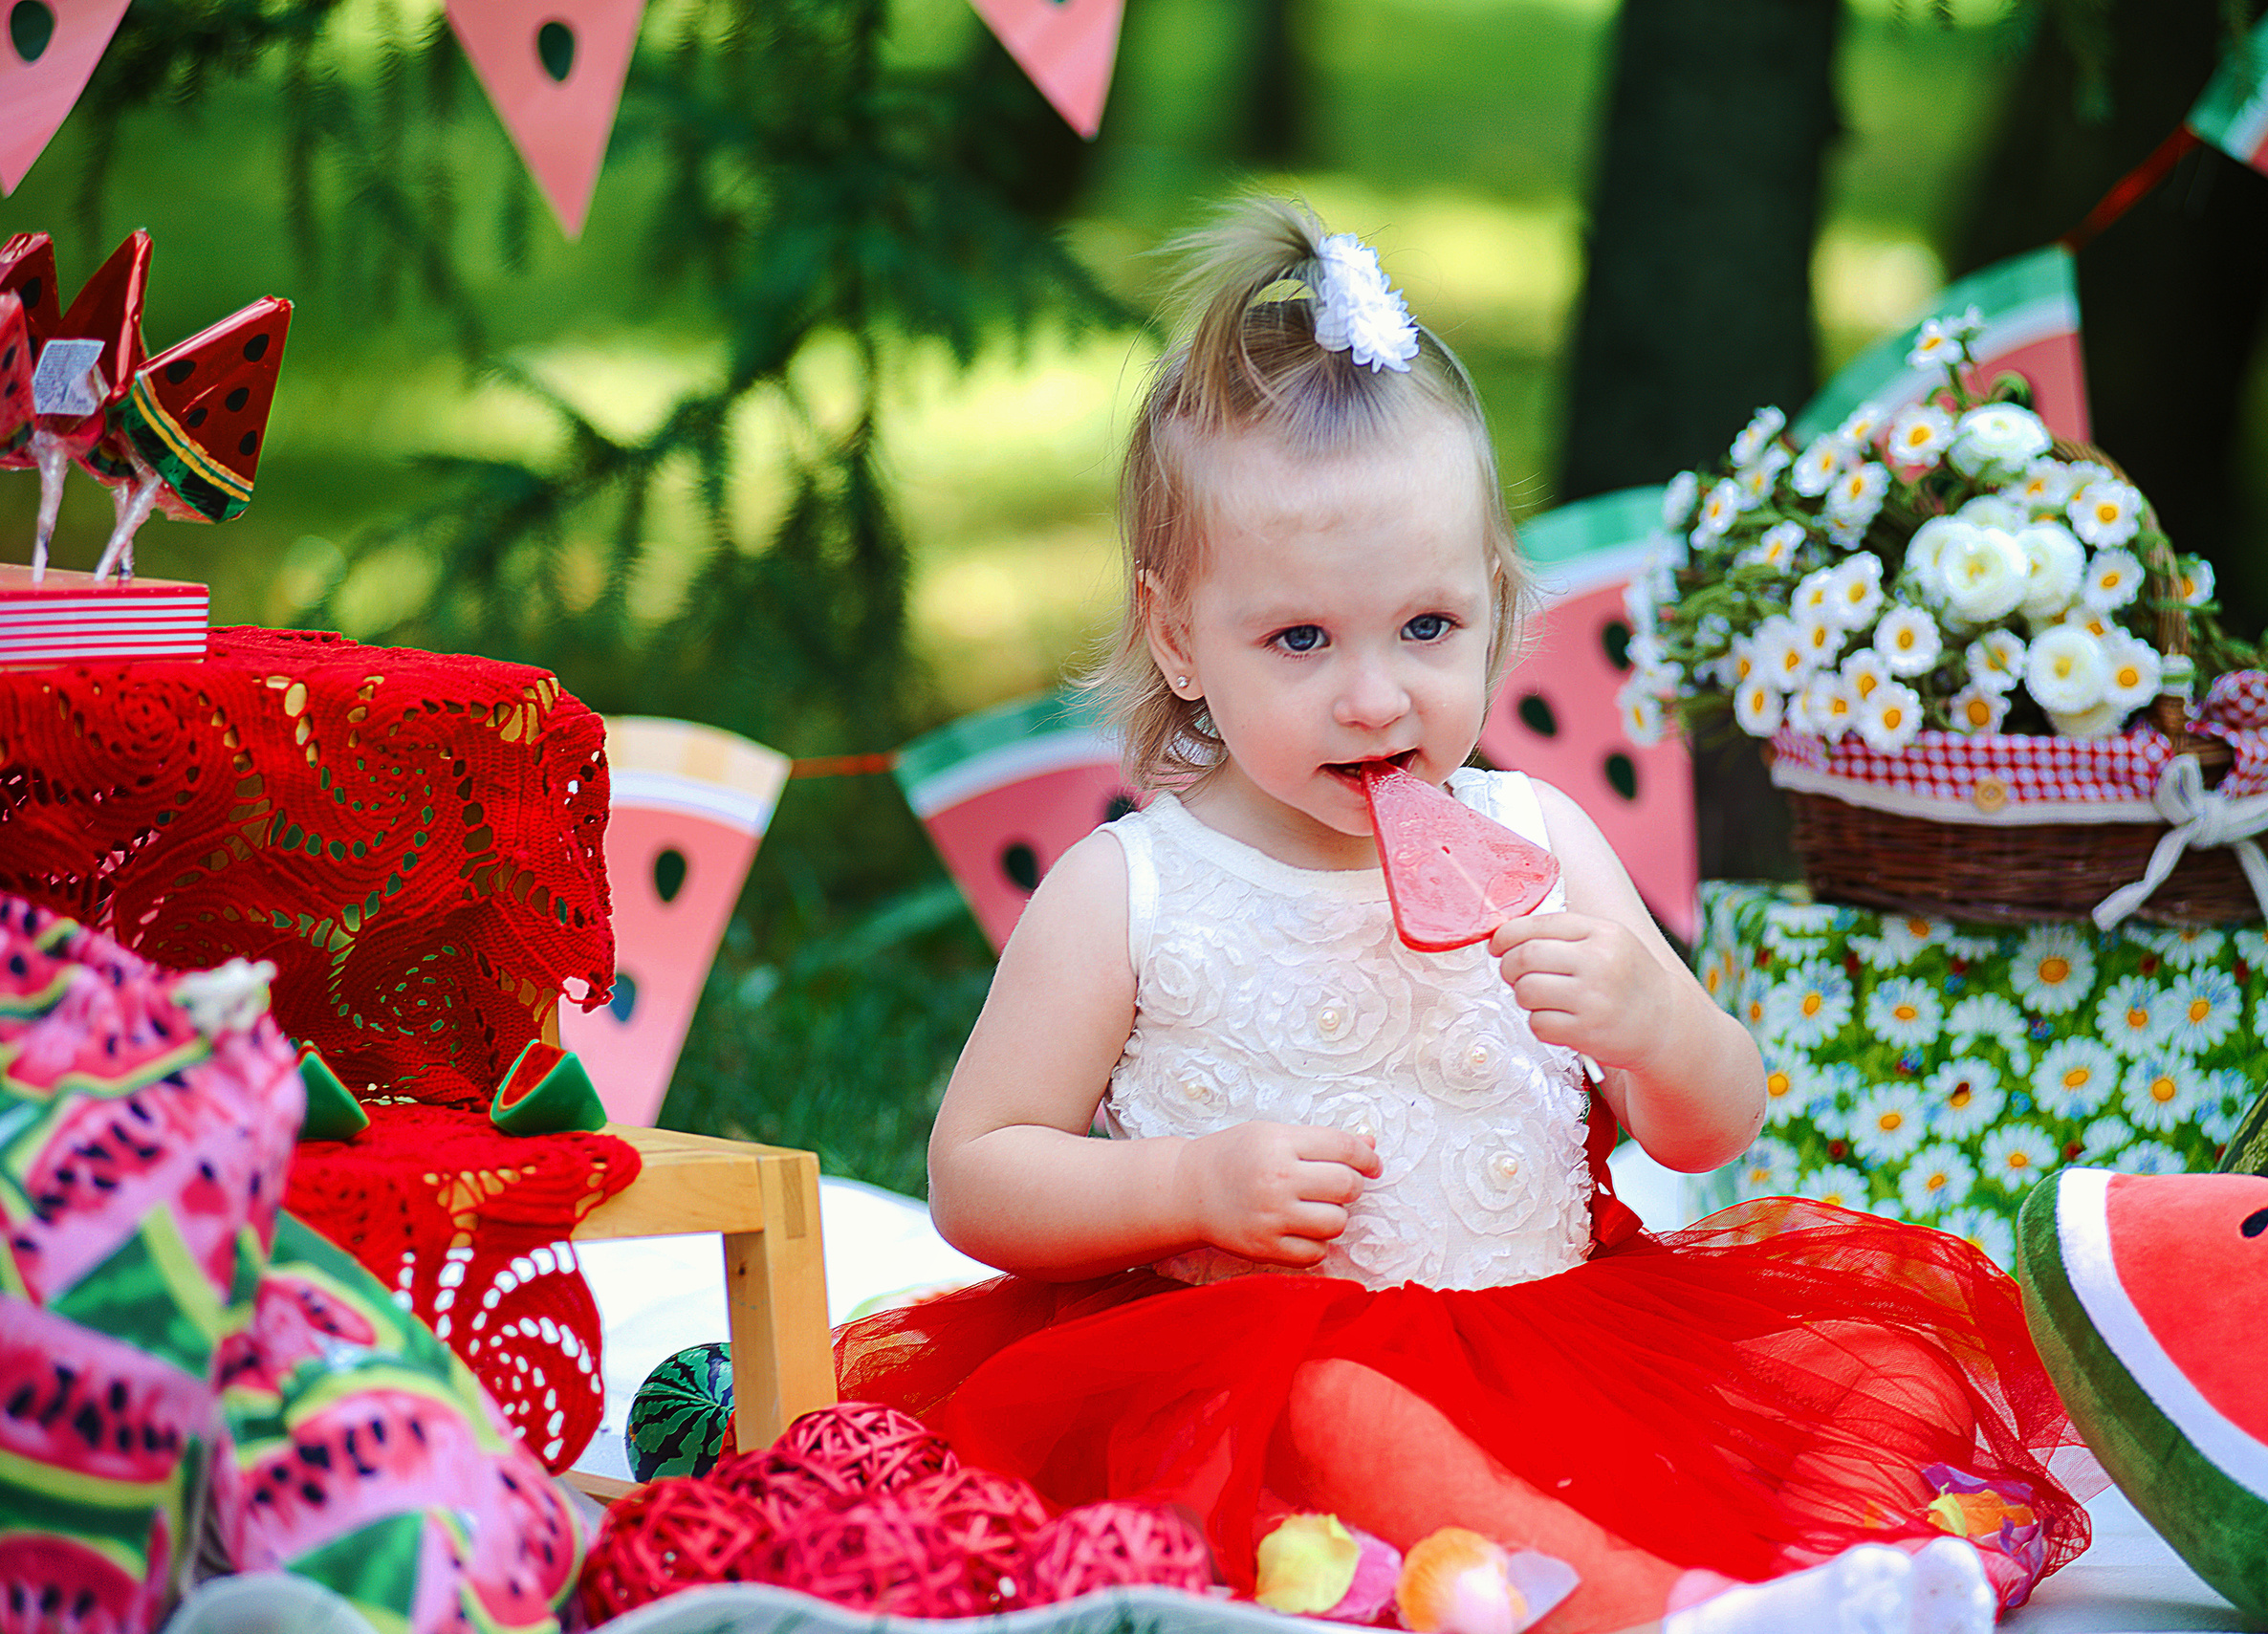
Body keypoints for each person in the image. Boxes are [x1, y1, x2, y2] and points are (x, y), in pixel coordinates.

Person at [837, 200, 2090, 1634]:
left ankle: (1831, 1556)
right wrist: (1189, 1186)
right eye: (1300, 639)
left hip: (1569, 1352)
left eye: (1427, 628)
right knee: (1350, 1417)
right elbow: (976, 1175)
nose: (1375, 696)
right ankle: (1671, 1607)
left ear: (1494, 606)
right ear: (1177, 635)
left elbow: (1711, 1126)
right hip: (1270, 1389)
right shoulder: (1131, 889)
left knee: (1885, 1368)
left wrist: (1656, 1023)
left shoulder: (1541, 838)